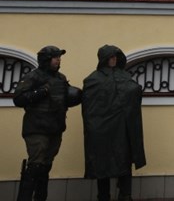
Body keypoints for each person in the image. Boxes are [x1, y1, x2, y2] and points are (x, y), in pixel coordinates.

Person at [13, 45, 82, 201]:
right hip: (37, 128)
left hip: (55, 128)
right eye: (55, 57)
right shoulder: (34, 77)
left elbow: (66, 97)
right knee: (36, 165)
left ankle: (40, 198)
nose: (58, 60)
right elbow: (18, 98)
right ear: (46, 60)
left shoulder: (61, 78)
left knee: (45, 166)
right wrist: (42, 92)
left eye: (59, 57)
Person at [82, 44, 146, 201]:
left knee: (124, 162)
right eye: (111, 57)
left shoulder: (124, 76)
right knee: (101, 164)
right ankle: (103, 196)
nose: (114, 59)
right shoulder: (93, 79)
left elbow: (133, 93)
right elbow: (90, 106)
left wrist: (134, 90)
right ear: (104, 59)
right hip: (101, 130)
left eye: (115, 56)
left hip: (122, 130)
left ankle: (125, 195)